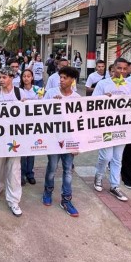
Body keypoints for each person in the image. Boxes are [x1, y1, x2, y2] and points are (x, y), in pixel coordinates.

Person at [92, 58, 131, 202]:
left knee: (117, 158)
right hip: (106, 126)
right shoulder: (103, 84)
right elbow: (92, 103)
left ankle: (114, 185)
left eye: (125, 69)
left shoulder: (130, 86)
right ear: (113, 68)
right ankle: (98, 175)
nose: (122, 71)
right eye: (119, 68)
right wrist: (102, 99)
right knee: (106, 156)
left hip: (122, 127)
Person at [42, 66, 81, 216]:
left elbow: (80, 122)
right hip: (53, 139)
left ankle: (66, 200)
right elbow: (41, 116)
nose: (62, 80)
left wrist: (78, 143)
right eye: (61, 77)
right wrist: (52, 105)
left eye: (65, 78)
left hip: (70, 140)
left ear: (72, 80)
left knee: (68, 171)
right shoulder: (51, 93)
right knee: (52, 168)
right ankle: (47, 192)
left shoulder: (76, 98)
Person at [0, 67, 24, 217]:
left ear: (11, 77)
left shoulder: (19, 92)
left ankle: (14, 201)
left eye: (4, 77)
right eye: (0, 77)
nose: (1, 80)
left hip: (15, 137)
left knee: (14, 169)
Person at [19, 69, 39, 185]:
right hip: (21, 125)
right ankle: (21, 174)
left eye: (28, 76)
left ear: (32, 77)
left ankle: (30, 173)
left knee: (32, 150)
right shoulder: (18, 91)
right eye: (24, 76)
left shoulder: (38, 90)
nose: (26, 78)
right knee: (22, 151)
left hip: (34, 124)